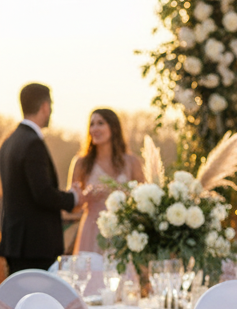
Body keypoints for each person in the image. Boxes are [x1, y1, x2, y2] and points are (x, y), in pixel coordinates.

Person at [0, 84, 79, 274]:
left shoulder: (9, 142)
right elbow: (42, 193)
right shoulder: (33, 143)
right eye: (50, 105)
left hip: (15, 242)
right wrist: (73, 198)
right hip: (36, 244)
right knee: (38, 299)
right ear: (44, 106)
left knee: (19, 300)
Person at [67, 109, 142, 254]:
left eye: (100, 123)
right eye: (92, 124)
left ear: (113, 128)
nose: (94, 129)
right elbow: (73, 207)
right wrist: (82, 197)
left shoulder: (132, 162)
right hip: (92, 230)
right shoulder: (81, 163)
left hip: (122, 231)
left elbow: (142, 200)